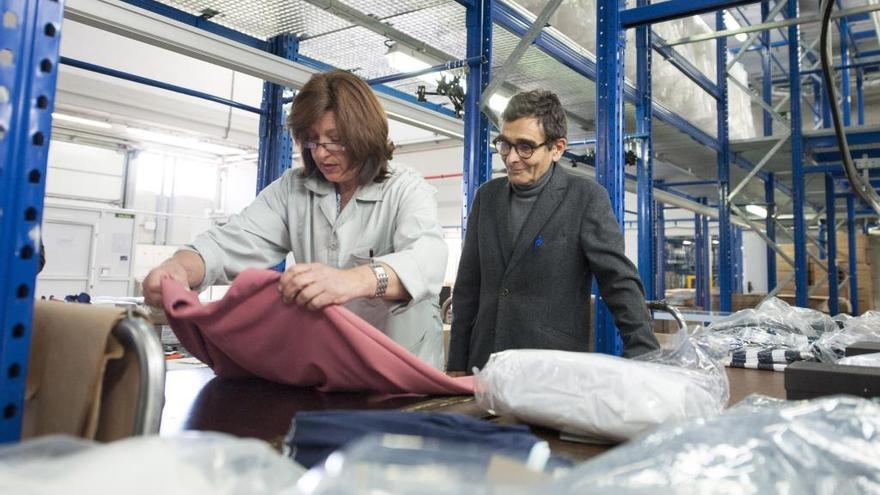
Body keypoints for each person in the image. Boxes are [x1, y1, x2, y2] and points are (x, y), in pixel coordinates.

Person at [143, 70, 449, 368]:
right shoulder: (294, 189)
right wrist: (180, 267)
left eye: (335, 139)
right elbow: (231, 242)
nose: (321, 153)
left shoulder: (406, 188)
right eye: (312, 140)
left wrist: (353, 280)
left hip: (400, 368)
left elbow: (426, 260)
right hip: (333, 366)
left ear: (364, 135)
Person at [446, 90, 660, 375]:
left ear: (557, 148)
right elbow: (467, 288)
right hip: (484, 362)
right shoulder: (487, 198)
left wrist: (646, 359)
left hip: (551, 368)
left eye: (525, 147)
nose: (510, 159)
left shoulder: (585, 198)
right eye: (504, 145)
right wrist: (457, 363)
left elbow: (618, 281)